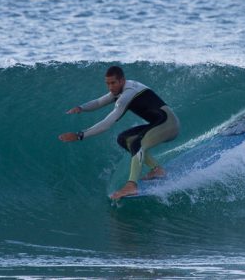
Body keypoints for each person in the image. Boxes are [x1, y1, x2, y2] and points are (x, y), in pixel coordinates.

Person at [58, 66, 180, 199]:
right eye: (107, 83)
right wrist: (81, 108)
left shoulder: (127, 94)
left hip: (169, 124)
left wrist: (80, 135)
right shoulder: (121, 90)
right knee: (124, 139)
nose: (110, 87)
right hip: (159, 123)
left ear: (122, 80)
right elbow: (99, 102)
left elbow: (107, 123)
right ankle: (157, 170)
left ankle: (131, 186)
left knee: (136, 143)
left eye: (113, 83)